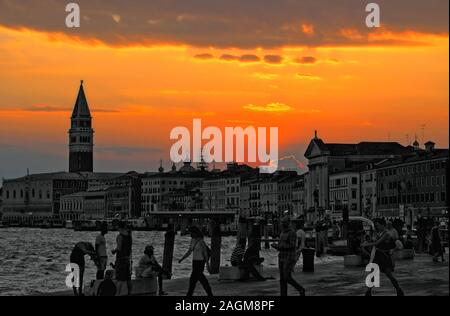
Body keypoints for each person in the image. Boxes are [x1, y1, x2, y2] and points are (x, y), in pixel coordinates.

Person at [362, 218, 404, 296]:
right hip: (378, 256)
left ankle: (399, 290)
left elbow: (377, 242)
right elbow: (375, 241)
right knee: (373, 273)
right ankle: (368, 292)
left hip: (384, 257)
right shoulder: (380, 233)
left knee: (389, 275)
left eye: (378, 225)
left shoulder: (386, 233)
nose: (377, 227)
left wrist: (365, 244)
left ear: (382, 225)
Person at [272, 216, 305, 296]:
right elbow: (281, 244)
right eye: (282, 223)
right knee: (282, 279)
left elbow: (292, 246)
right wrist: (277, 246)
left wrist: (279, 247)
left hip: (288, 257)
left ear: (288, 223)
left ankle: (300, 289)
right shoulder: (282, 233)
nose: (282, 224)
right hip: (282, 257)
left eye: (284, 223)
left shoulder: (292, 233)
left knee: (287, 277)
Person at [179, 226, 213, 296]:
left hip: (200, 263)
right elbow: (189, 251)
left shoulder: (201, 241)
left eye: (191, 233)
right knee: (199, 280)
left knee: (194, 280)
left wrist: (207, 265)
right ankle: (210, 294)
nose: (190, 235)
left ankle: (189, 295)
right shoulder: (192, 241)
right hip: (194, 263)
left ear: (195, 233)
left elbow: (205, 254)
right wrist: (182, 259)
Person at [112, 222, 133, 296]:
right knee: (128, 279)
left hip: (120, 259)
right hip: (127, 259)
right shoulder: (129, 236)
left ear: (119, 228)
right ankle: (129, 293)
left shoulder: (120, 236)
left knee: (119, 279)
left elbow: (119, 248)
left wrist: (114, 251)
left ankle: (117, 294)